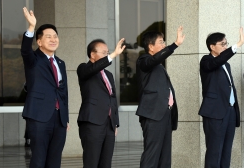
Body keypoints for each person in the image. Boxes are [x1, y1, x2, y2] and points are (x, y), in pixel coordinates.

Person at [21, 7, 69, 168]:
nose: (53, 39)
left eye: (55, 36)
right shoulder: (33, 60)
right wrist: (31, 27)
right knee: (39, 159)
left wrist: (65, 118)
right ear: (39, 41)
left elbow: (63, 92)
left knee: (55, 160)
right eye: (48, 37)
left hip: (59, 119)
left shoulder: (60, 63)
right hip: (39, 117)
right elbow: (25, 50)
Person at [136, 26, 185, 168]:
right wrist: (174, 45)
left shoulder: (158, 65)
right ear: (150, 46)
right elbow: (153, 61)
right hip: (153, 114)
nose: (164, 45)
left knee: (165, 156)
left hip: (165, 113)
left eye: (164, 42)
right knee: (152, 154)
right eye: (161, 42)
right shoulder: (144, 60)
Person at [199, 28, 244, 168]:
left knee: (226, 150)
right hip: (215, 112)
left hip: (229, 111)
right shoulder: (206, 60)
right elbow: (215, 63)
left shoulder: (226, 64)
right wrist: (237, 45)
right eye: (223, 44)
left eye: (227, 44)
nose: (226, 46)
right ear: (212, 47)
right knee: (215, 150)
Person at [77, 38, 125, 168]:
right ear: (92, 55)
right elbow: (94, 69)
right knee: (91, 162)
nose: (107, 55)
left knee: (106, 163)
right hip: (92, 122)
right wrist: (113, 55)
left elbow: (113, 99)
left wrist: (115, 123)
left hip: (109, 124)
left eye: (108, 52)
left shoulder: (108, 75)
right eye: (104, 53)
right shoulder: (83, 68)